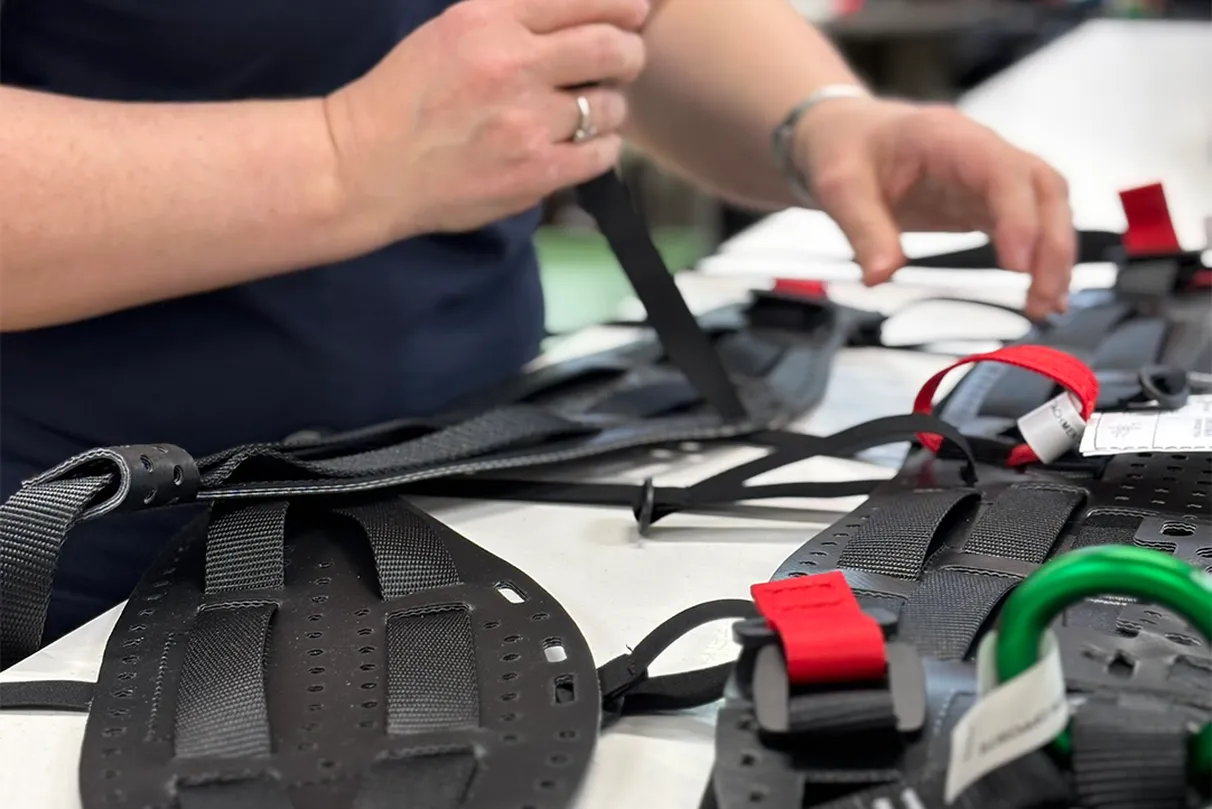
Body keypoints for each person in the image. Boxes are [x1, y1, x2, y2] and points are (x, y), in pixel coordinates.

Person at [0, 0, 1075, 649]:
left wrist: (821, 122)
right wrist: (347, 157)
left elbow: (635, 16)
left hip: (485, 489)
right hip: (80, 580)